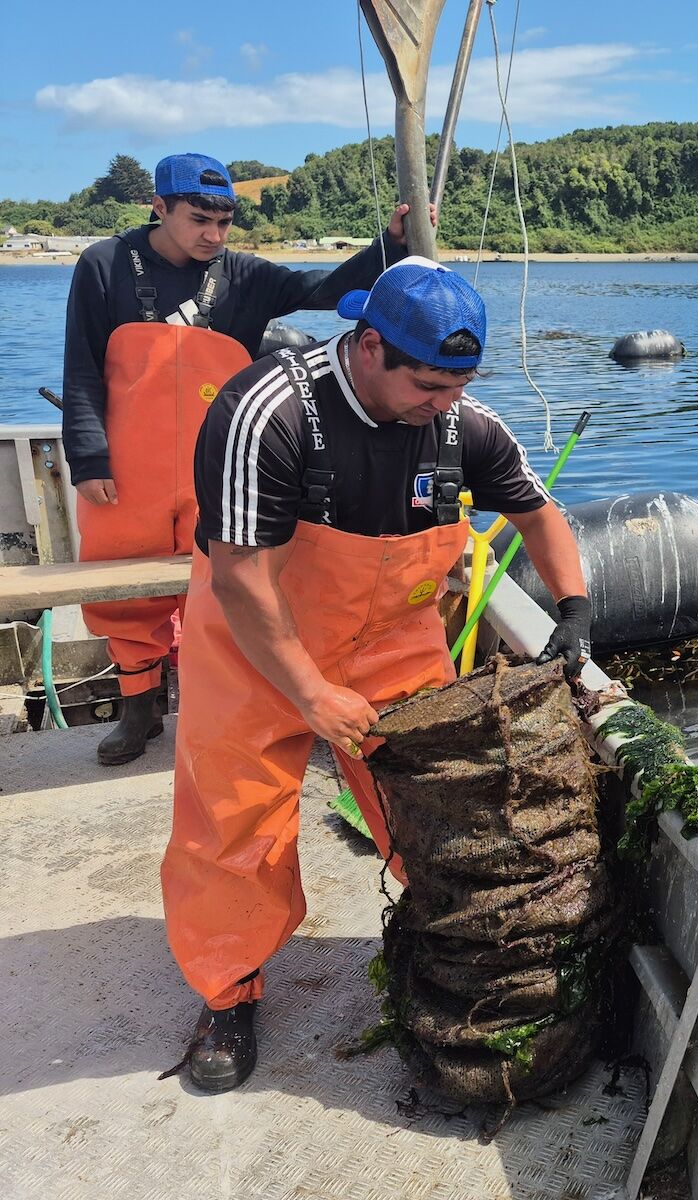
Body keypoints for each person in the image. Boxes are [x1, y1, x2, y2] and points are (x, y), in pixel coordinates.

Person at [160, 256, 592, 1093]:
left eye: (462, 381)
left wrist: (573, 609)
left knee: (438, 804)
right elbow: (242, 579)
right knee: (233, 823)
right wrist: (312, 694)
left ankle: (445, 950)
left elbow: (539, 515)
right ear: (368, 348)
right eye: (430, 383)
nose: (447, 401)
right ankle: (228, 990)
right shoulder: (270, 411)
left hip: (393, 645)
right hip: (253, 647)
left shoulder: (466, 425)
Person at [61, 151, 429, 766]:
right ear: (159, 207)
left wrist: (387, 245)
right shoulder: (103, 264)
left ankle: (215, 703)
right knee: (123, 594)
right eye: (199, 220)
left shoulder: (242, 274)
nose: (213, 235)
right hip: (128, 464)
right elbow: (81, 367)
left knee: (218, 583)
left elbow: (324, 289)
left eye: (223, 222)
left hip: (217, 459)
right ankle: (139, 710)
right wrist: (89, 457)